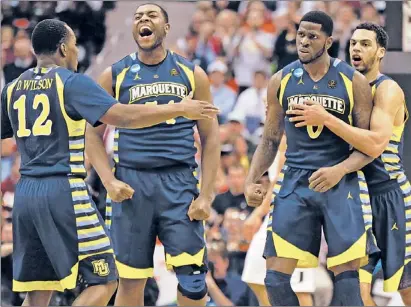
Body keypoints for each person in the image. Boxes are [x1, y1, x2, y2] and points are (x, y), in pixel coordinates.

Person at [0, 19, 218, 307]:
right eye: (75, 46)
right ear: (64, 49)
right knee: (104, 280)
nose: (77, 53)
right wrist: (179, 107)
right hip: (63, 191)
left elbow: (5, 141)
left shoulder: (13, 88)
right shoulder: (71, 82)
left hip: (26, 194)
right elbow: (123, 117)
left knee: (38, 293)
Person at [85, 3, 220, 306]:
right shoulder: (114, 75)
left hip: (179, 183)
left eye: (152, 15)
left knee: (194, 280)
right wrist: (108, 181)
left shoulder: (192, 73)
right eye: (138, 17)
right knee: (131, 281)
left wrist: (206, 196)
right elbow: (92, 136)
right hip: (132, 185)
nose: (143, 20)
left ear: (167, 28)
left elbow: (211, 139)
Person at [245, 11, 378, 306]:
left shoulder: (353, 81)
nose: (303, 41)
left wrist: (339, 170)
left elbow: (368, 145)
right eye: (300, 35)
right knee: (274, 280)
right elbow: (269, 139)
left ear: (328, 41)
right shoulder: (280, 79)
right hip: (295, 182)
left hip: (340, 183)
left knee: (347, 283)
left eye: (312, 36)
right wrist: (252, 178)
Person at [288, 22, 410, 305]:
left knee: (406, 286)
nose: (357, 48)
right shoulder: (343, 88)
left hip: (388, 194)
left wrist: (327, 119)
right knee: (355, 289)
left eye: (365, 44)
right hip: (354, 197)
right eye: (354, 43)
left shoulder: (387, 89)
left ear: (380, 52)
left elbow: (374, 144)